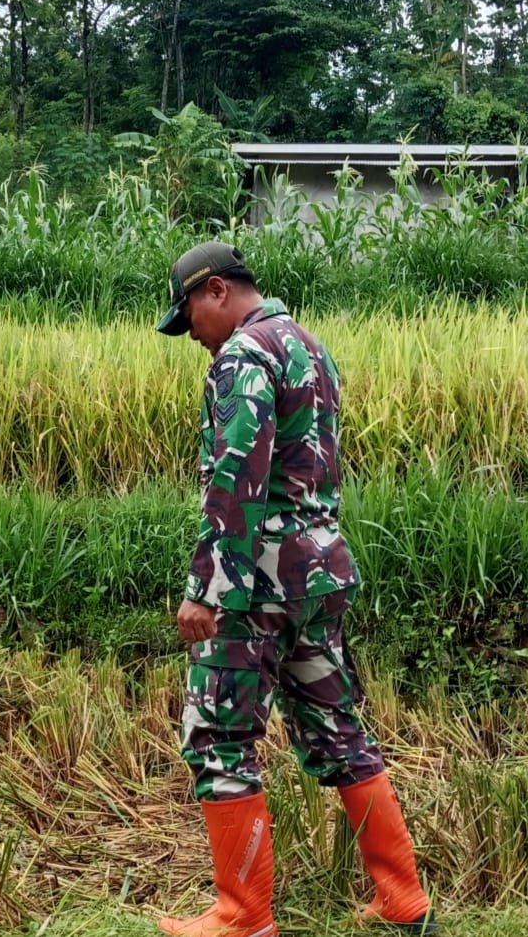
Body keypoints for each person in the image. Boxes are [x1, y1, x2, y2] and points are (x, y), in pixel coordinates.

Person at [154, 242, 434, 936]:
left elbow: (237, 476)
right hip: (317, 573)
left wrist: (209, 586)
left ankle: (242, 917)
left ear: (216, 290)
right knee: (338, 731)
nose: (188, 331)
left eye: (187, 312)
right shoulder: (309, 347)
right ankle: (404, 900)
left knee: (219, 735)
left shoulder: (244, 357)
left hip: (257, 584)